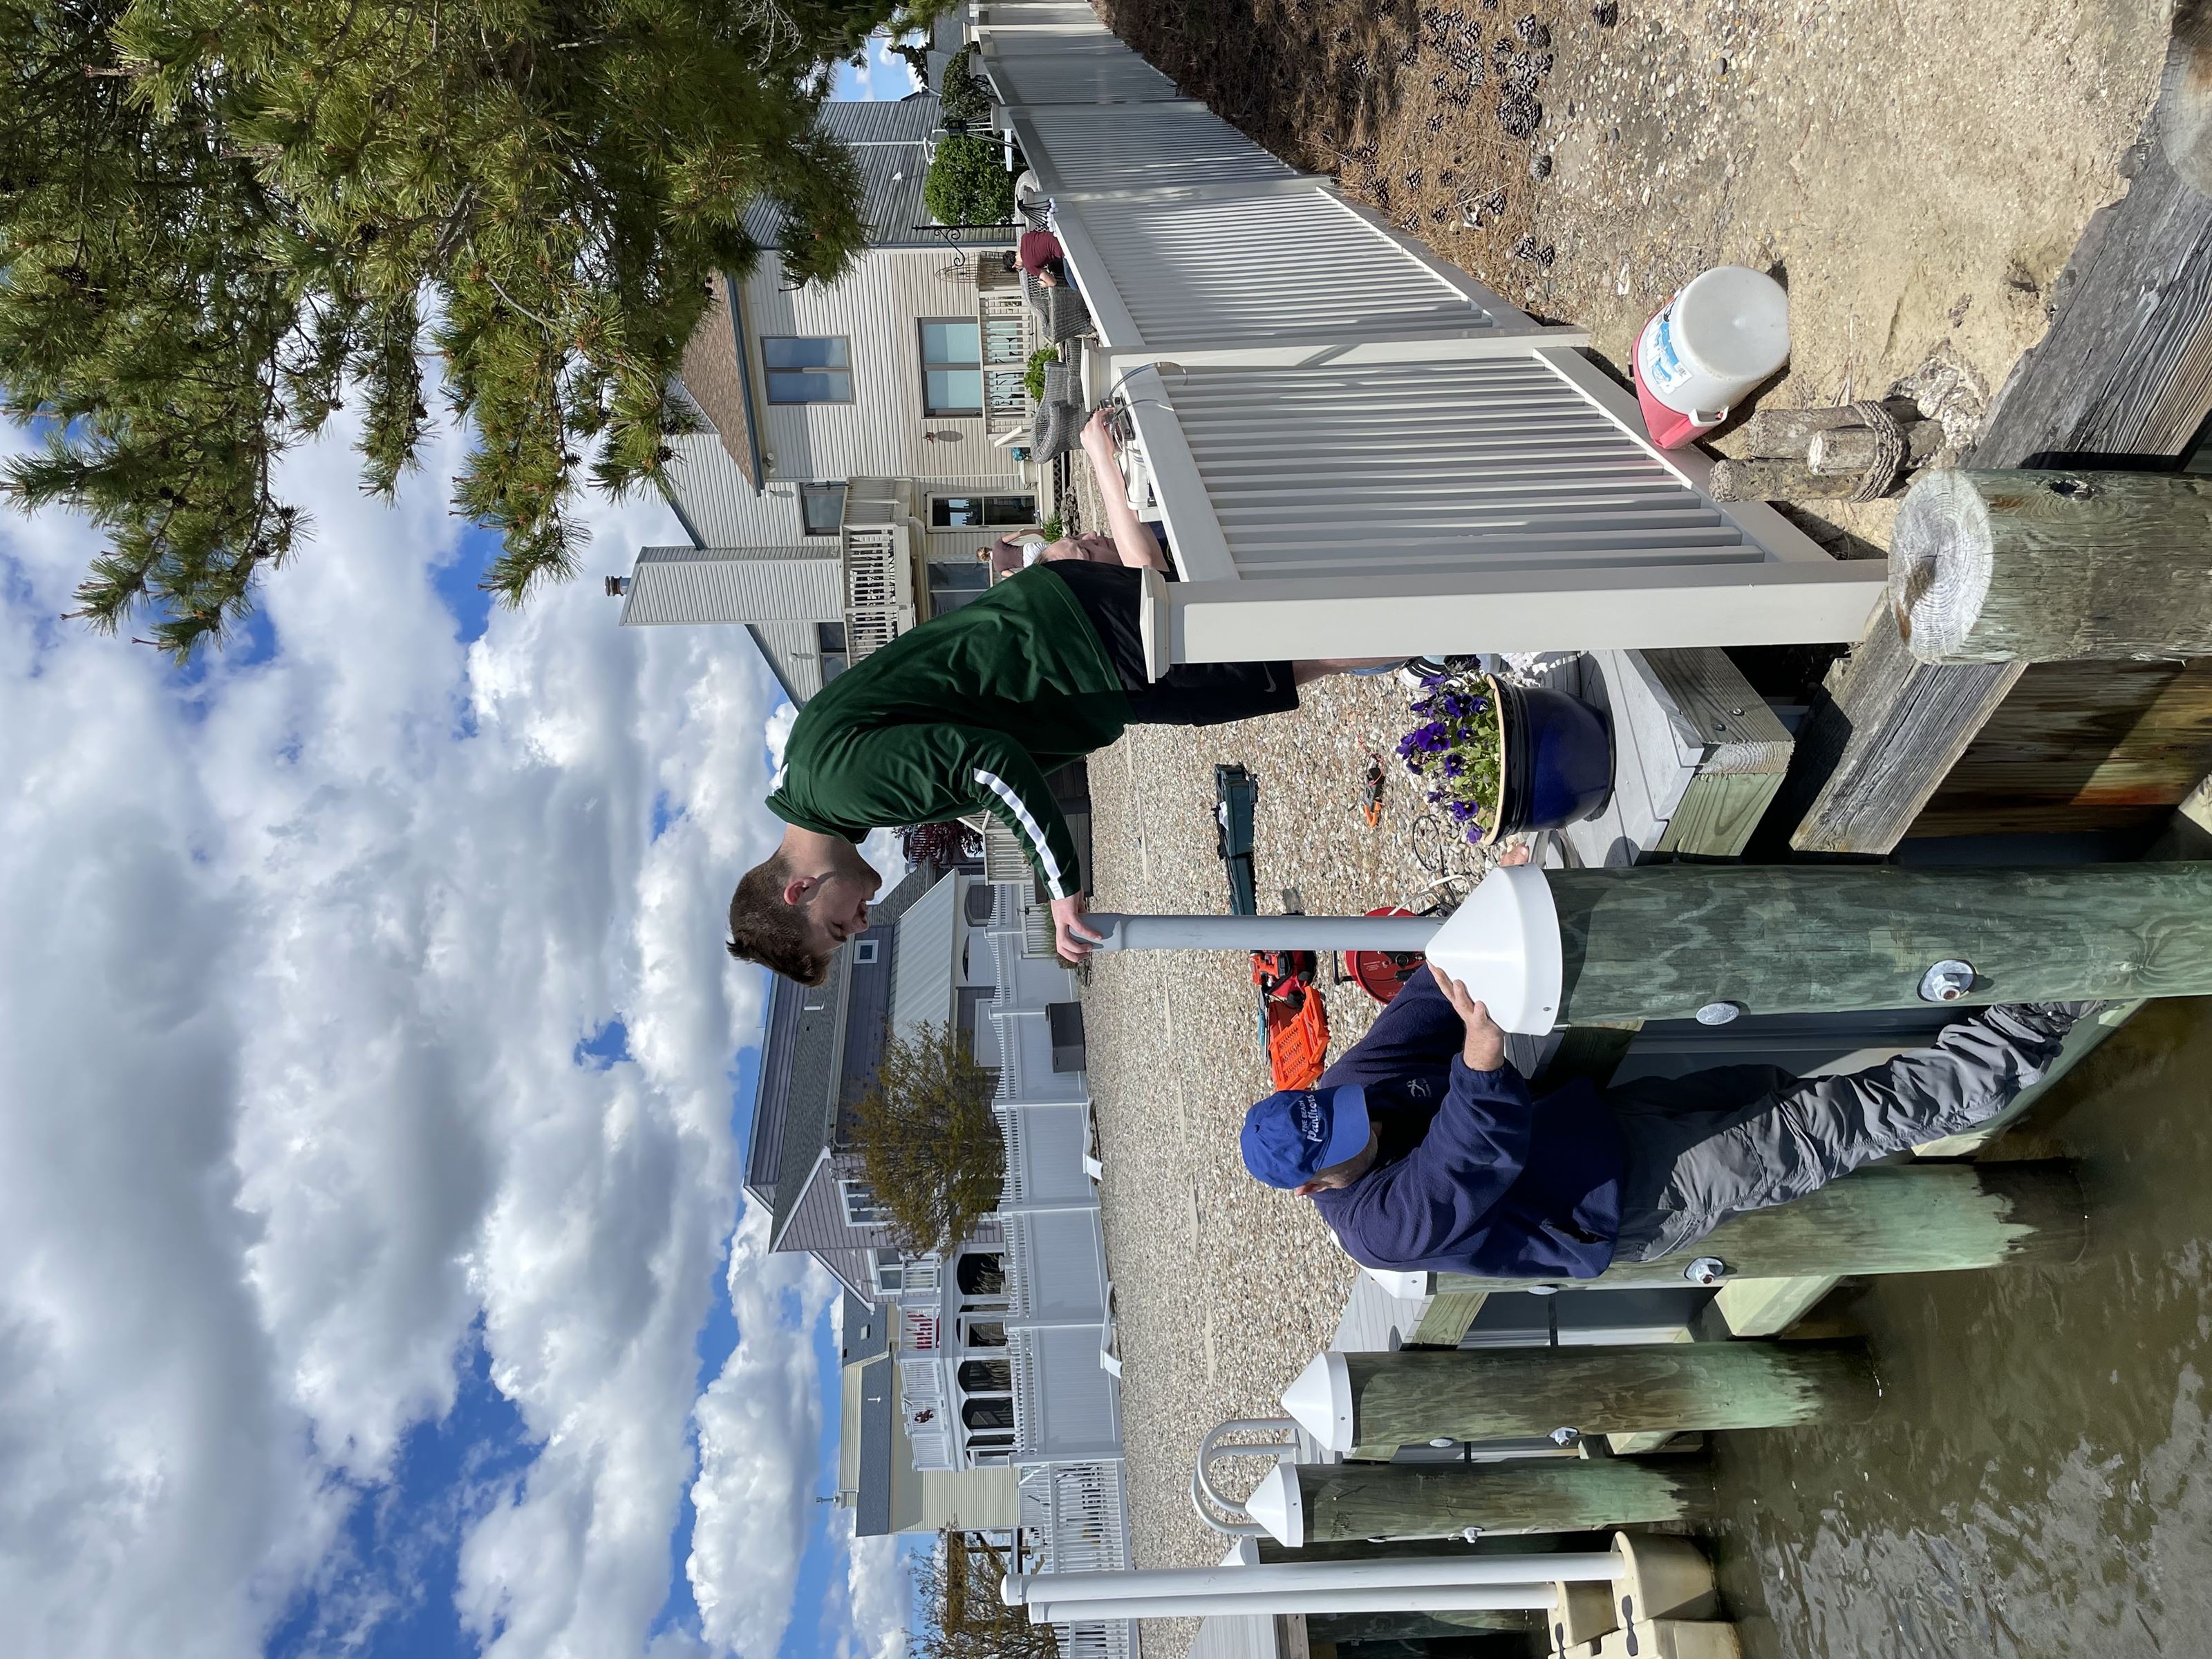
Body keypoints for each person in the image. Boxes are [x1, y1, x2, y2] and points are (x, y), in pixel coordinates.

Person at [728, 411, 1396, 984]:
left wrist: (1061, 888)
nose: (860, 921)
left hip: (1078, 656)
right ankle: (1388, 547)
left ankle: (1448, 611)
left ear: (801, 890)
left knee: (1282, 661)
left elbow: (987, 766)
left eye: (838, 928)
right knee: (1247, 615)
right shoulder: (811, 772)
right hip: (1060, 633)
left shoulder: (842, 789)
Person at [1239, 961, 2091, 1275]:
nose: (1370, 1126)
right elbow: (1467, 1158)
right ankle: (2033, 1026)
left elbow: (1435, 990)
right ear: (1315, 1184)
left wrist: (1485, 927)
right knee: (1830, 1123)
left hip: (1599, 1123)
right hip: (1629, 1201)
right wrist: (1482, 1061)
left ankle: (1980, 1073)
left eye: (1345, 1113)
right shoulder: (1376, 1231)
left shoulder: (1358, 1086)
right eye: (1349, 1146)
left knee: (1777, 1088)